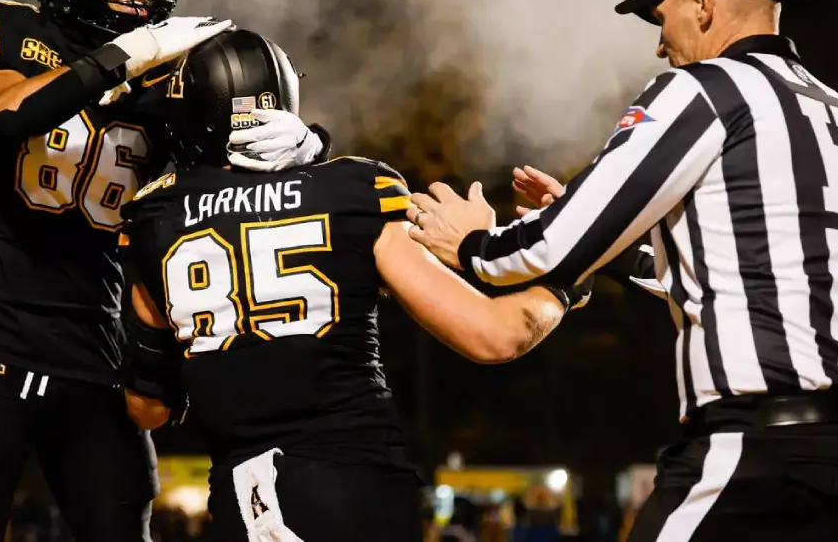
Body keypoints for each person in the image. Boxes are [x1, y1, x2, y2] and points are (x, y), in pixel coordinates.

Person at [407, 0, 838, 540]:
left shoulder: (707, 90)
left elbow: (552, 247)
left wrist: (476, 243)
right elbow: (751, 280)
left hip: (757, 456)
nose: (661, 45)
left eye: (661, 17)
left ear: (702, 0)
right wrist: (609, 249)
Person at [0, 0, 332, 542]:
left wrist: (305, 140)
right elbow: (2, 115)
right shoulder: (5, 26)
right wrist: (120, 59)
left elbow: (251, 139)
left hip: (97, 350)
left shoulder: (168, 70)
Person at [116, 29, 592, 541]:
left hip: (259, 494)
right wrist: (567, 279)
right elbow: (496, 335)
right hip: (373, 487)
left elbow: (148, 408)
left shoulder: (155, 216)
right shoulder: (352, 190)